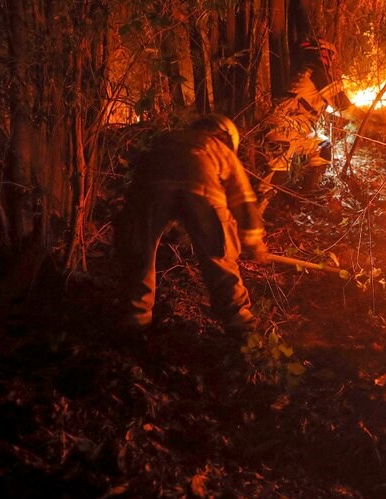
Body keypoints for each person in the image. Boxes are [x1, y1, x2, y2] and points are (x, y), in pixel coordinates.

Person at [112, 113, 269, 337]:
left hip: (150, 188)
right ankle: (239, 322)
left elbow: (150, 183)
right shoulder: (219, 148)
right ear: (225, 136)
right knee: (219, 254)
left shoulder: (166, 140)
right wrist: (253, 241)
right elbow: (242, 198)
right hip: (203, 190)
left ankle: (135, 317)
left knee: (140, 251)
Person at [254, 38, 359, 198]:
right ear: (322, 53)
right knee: (275, 178)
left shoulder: (306, 72)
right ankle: (253, 215)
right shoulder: (317, 72)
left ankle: (307, 195)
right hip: (284, 129)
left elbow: (334, 108)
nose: (330, 60)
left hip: (296, 129)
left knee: (323, 146)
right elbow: (342, 105)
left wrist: (353, 116)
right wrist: (371, 118)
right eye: (328, 55)